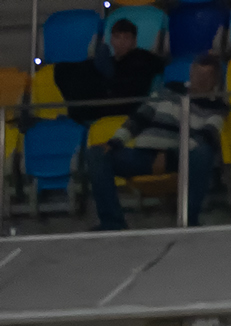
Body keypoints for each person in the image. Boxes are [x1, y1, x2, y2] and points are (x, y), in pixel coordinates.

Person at [87, 55, 221, 232]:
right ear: (191, 73)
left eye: (207, 75)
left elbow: (206, 136)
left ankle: (190, 220)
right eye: (197, 73)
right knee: (97, 153)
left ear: (215, 79)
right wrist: (115, 142)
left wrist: (167, 154)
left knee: (204, 151)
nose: (200, 79)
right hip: (143, 155)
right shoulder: (168, 90)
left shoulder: (217, 106)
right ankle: (112, 222)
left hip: (180, 158)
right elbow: (139, 118)